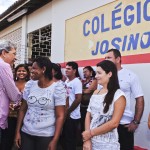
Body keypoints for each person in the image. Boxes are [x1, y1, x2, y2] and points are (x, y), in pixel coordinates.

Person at [15, 57, 66, 150]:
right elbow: (22, 109)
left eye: (34, 68)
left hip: (46, 135)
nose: (31, 70)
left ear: (43, 69)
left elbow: (60, 116)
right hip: (26, 133)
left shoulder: (58, 88)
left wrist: (55, 140)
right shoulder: (30, 85)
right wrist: (17, 132)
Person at [105, 49, 144, 150]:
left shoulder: (130, 76)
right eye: (105, 58)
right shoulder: (103, 76)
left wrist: (136, 122)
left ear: (118, 59)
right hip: (106, 124)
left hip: (124, 125)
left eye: (109, 58)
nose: (106, 60)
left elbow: (139, 99)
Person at [82, 60, 126, 150]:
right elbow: (88, 115)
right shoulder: (96, 92)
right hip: (90, 142)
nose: (96, 76)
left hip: (107, 145)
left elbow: (114, 123)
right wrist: (87, 139)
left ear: (109, 74)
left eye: (99, 73)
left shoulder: (119, 95)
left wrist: (90, 134)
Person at [1, 64, 30, 150]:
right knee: (7, 139)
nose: (21, 72)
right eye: (19, 71)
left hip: (24, 117)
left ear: (27, 73)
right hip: (10, 115)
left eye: (24, 71)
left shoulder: (30, 84)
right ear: (15, 72)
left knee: (22, 141)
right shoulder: (12, 83)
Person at [0, 40, 22, 147]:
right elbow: (13, 94)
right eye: (13, 53)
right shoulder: (4, 66)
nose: (15, 57)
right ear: (4, 53)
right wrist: (21, 97)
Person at [62, 61, 82, 150]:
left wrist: (68, 111)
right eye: (66, 69)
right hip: (66, 114)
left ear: (74, 70)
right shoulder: (66, 81)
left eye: (69, 69)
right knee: (65, 138)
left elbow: (78, 99)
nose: (66, 70)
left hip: (72, 116)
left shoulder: (77, 82)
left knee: (70, 140)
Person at [81, 66, 97, 132]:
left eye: (86, 71)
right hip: (82, 105)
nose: (84, 73)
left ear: (91, 72)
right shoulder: (83, 81)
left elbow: (89, 91)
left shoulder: (94, 80)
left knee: (89, 125)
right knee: (82, 125)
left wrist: (81, 91)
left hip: (90, 106)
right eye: (83, 72)